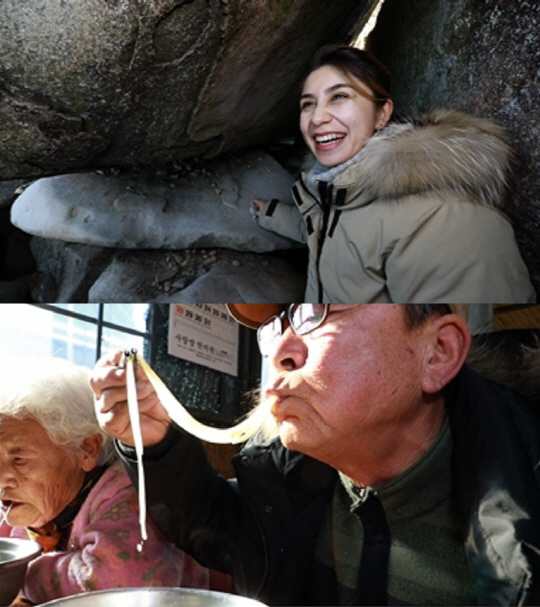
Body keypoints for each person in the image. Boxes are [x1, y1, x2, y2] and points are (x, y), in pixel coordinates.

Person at [90, 304, 540, 606]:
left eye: (319, 310)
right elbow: (215, 526)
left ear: (438, 353)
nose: (282, 351)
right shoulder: (292, 476)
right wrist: (155, 442)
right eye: (276, 326)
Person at [250, 45, 535, 303]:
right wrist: (271, 213)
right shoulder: (335, 189)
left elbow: (475, 353)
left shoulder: (446, 220)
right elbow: (326, 232)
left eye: (339, 96)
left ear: (382, 114)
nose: (317, 117)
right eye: (308, 104)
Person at [0, 357, 209, 606]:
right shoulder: (25, 506)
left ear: (86, 450)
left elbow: (118, 580)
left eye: (19, 459)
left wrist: (19, 574)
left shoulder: (126, 490)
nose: (2, 478)